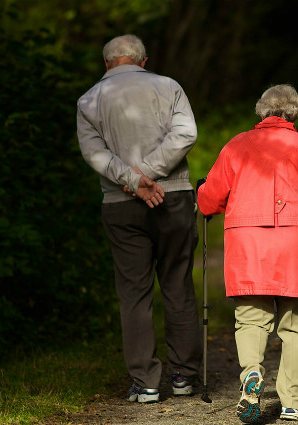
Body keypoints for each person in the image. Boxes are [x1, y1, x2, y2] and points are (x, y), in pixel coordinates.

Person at [197, 84, 298, 423]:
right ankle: (293, 403)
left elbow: (210, 200)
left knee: (250, 319)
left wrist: (201, 190)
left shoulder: (236, 145)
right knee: (296, 325)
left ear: (261, 112)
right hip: (295, 246)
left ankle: (252, 373)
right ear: (295, 113)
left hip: (248, 247)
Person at [77, 34, 201, 403]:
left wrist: (134, 179)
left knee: (133, 294)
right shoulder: (168, 86)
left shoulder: (89, 99)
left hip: (120, 202)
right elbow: (186, 134)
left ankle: (146, 383)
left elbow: (93, 152)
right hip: (173, 195)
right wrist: (149, 174)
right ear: (143, 61)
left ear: (107, 64)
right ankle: (183, 377)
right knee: (178, 284)